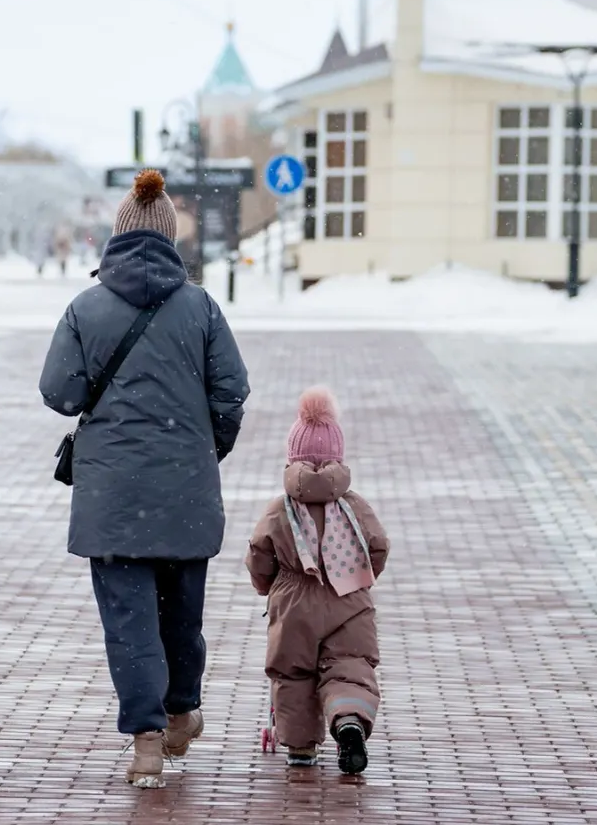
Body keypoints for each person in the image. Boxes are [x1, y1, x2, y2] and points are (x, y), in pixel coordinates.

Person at [39, 169, 250, 789]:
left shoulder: (86, 307)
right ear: (171, 236)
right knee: (182, 615)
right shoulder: (200, 305)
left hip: (111, 496)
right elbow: (231, 391)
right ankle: (183, 708)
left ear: (117, 236)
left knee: (129, 623)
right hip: (186, 489)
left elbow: (60, 392)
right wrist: (206, 448)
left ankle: (147, 741)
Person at [246, 387, 390, 775]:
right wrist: (362, 577)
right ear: (338, 459)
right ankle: (348, 721)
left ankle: (301, 749)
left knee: (293, 673)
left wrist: (268, 586)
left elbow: (260, 555)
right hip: (349, 597)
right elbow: (378, 547)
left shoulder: (280, 509)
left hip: (294, 601)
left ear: (292, 459)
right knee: (350, 666)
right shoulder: (354, 505)